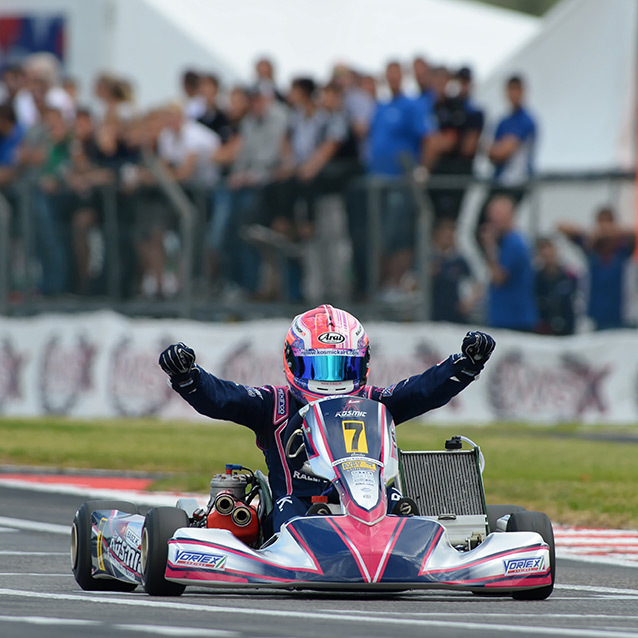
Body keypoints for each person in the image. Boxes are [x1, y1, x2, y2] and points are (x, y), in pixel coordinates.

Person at [159, 304, 495, 535]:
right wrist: (190, 377)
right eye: (320, 368)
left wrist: (464, 365)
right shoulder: (273, 405)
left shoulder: (376, 401)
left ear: (361, 365)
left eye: (341, 368)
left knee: (400, 505)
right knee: (290, 511)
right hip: (299, 511)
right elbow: (221, 397)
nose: (331, 379)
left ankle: (392, 542)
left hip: (372, 505)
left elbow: (424, 390)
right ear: (294, 362)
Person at [558, 207, 635, 330]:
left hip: (621, 316)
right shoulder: (591, 248)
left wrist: (609, 231)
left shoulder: (623, 248)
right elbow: (561, 226)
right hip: (595, 316)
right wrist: (592, 234)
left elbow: (633, 233)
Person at [480, 195, 538, 331]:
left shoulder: (514, 244)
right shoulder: (506, 242)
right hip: (504, 316)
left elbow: (499, 277)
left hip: (513, 319)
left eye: (497, 214)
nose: (492, 219)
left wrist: (489, 246)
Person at [534, 237, 577, 336]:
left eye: (550, 248)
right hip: (543, 330)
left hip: (567, 329)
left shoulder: (569, 276)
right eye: (543, 249)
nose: (547, 253)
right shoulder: (536, 278)